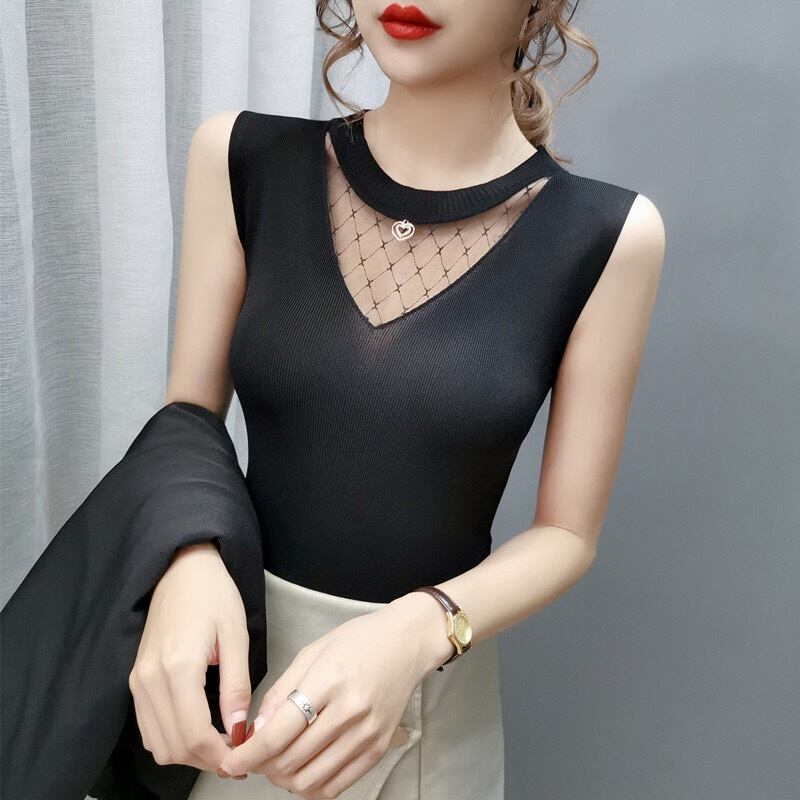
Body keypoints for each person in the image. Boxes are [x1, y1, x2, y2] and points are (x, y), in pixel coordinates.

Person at [131, 1, 665, 798]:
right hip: (224, 685)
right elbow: (190, 416)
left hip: (419, 709)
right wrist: (188, 555)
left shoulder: (607, 233)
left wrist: (420, 629)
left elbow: (566, 533)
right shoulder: (241, 157)